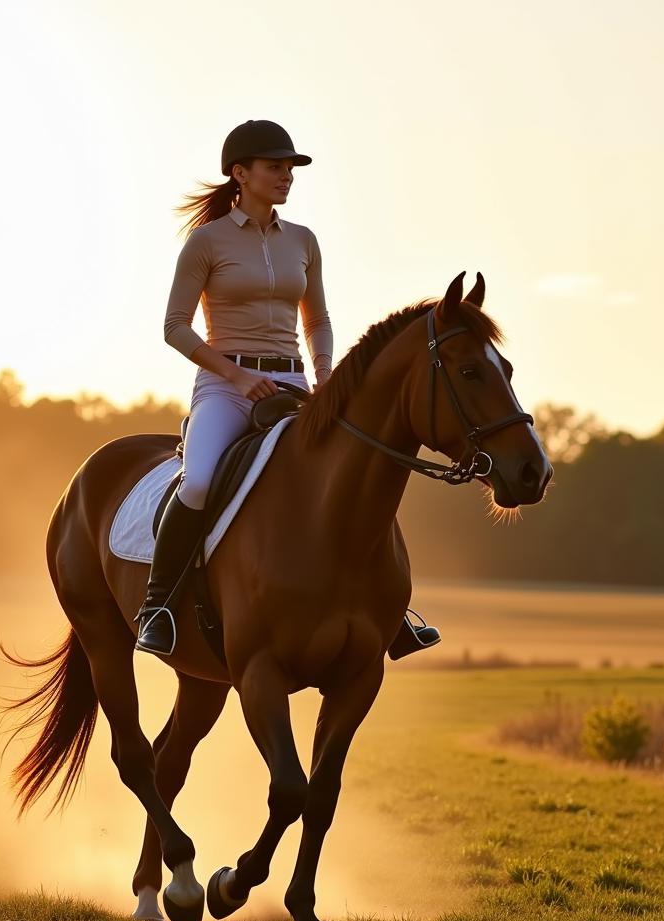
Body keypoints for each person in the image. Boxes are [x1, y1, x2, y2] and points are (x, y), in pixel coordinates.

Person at [134, 119, 440, 660]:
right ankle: (158, 605)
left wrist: (324, 375)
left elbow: (316, 317)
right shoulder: (207, 243)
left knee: (352, 470)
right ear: (240, 174)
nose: (286, 177)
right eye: (275, 167)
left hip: (295, 380)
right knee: (201, 481)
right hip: (227, 387)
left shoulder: (303, 241)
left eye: (290, 169)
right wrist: (236, 376)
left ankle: (389, 612)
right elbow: (174, 327)